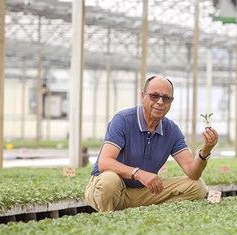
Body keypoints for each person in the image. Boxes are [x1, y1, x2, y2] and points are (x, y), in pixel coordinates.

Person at [85, 75, 218, 212]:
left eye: (166, 98)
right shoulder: (123, 120)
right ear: (143, 96)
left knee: (197, 186)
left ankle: (148, 214)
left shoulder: (171, 130)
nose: (160, 102)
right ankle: (108, 217)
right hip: (108, 190)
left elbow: (192, 172)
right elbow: (104, 163)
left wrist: (205, 150)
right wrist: (138, 173)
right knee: (110, 181)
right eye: (154, 96)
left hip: (141, 193)